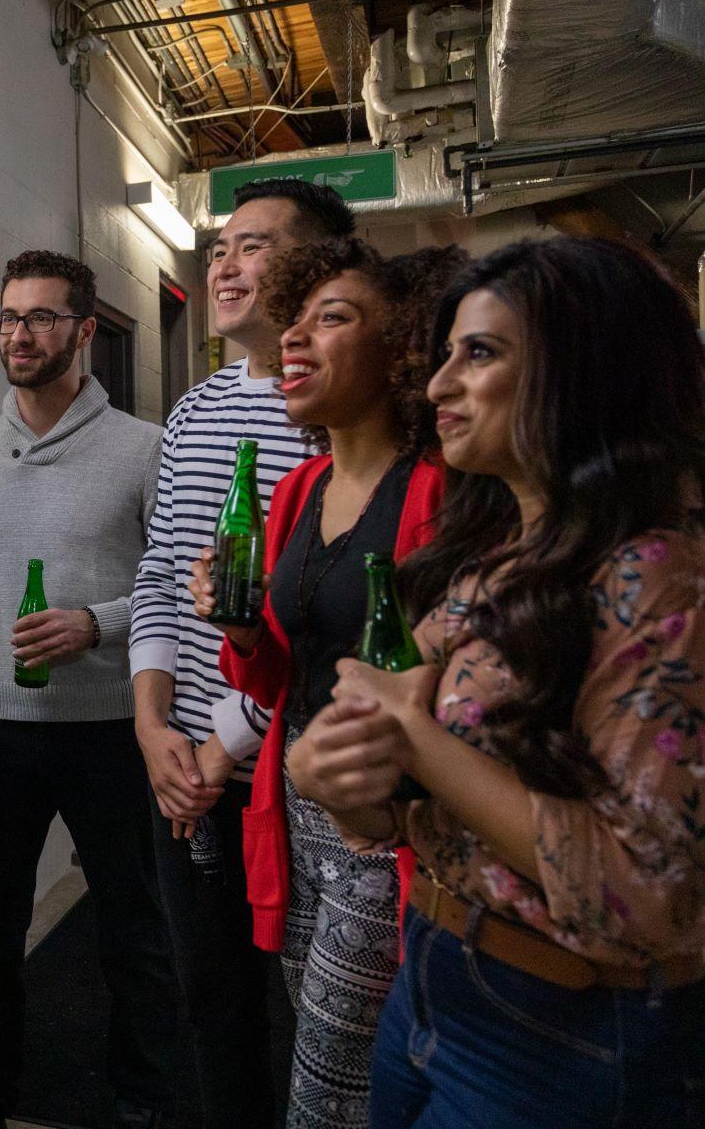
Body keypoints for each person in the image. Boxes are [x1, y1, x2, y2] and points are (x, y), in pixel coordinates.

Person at [288, 237, 705, 1126]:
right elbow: (400, 810)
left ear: (584, 367)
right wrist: (337, 781)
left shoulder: (659, 576)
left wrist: (412, 737)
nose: (437, 385)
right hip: (438, 971)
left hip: (565, 1026)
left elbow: (642, 893)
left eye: (477, 353)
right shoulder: (492, 562)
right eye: (445, 355)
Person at [188, 239, 466, 1129]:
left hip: (388, 823)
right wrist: (237, 627)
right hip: (292, 806)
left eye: (332, 318)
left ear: (404, 350)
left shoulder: (439, 490)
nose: (294, 337)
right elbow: (276, 669)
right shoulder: (300, 485)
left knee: (330, 1078)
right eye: (294, 321)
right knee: (319, 1035)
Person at [130, 177, 353, 1128]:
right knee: (209, 1004)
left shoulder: (333, 421)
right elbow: (157, 576)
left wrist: (226, 742)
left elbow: (325, 623)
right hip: (182, 766)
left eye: (255, 246)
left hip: (286, 764)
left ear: (313, 271)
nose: (225, 262)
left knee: (317, 1021)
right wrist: (150, 727)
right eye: (222, 246)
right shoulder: (192, 412)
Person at [0, 249, 177, 1128]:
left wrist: (95, 622)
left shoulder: (144, 448)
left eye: (41, 317)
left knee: (133, 933)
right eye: (8, 317)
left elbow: (171, 580)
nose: (20, 333)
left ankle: (144, 1106)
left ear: (83, 330)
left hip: (111, 725)